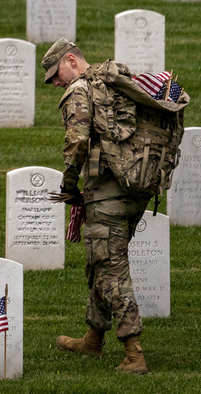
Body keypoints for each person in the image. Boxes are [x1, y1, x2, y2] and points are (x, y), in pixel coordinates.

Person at [41, 38, 150, 375]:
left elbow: (77, 141)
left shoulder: (80, 91)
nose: (54, 82)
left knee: (111, 268)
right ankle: (92, 339)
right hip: (137, 189)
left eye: (54, 73)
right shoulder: (114, 83)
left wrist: (69, 186)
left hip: (107, 192)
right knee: (100, 263)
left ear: (71, 60)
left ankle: (135, 355)